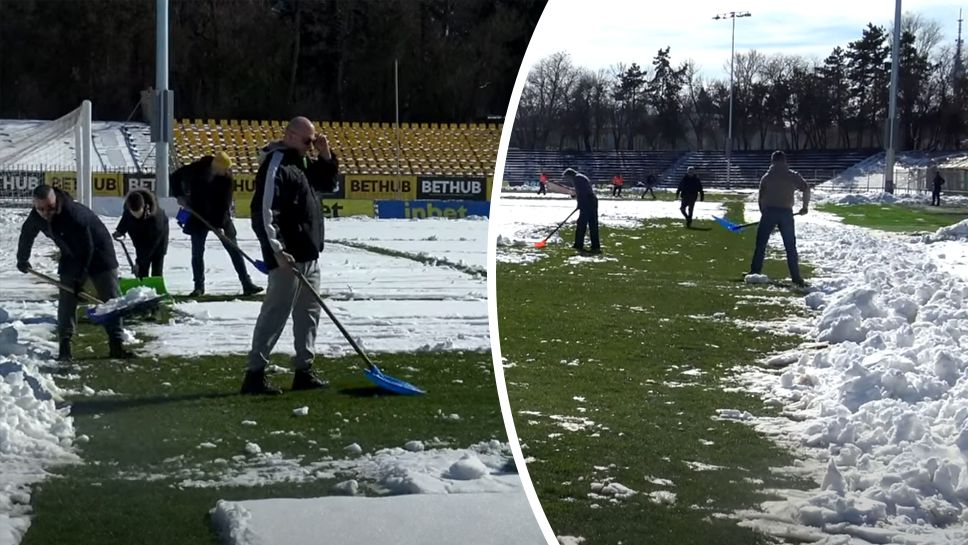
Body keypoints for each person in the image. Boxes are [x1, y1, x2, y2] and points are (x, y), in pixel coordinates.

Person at [241, 117, 340, 395]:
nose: (311, 146)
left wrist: (325, 155)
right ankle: (254, 374)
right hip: (287, 259)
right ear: (290, 136)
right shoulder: (276, 165)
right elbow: (263, 213)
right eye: (308, 141)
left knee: (309, 315)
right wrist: (278, 251)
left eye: (313, 141)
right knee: (275, 315)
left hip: (309, 255)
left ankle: (304, 370)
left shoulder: (303, 163)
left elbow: (329, 184)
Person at [16, 185, 134, 360]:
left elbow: (88, 249)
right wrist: (22, 259)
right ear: (35, 205)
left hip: (99, 253)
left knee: (110, 300)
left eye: (50, 207)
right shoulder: (37, 215)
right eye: (41, 209)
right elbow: (27, 233)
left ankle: (116, 345)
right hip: (71, 254)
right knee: (66, 299)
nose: (46, 212)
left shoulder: (73, 215)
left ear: (55, 200)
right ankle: (65, 348)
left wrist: (80, 280)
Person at [171, 151, 262, 297]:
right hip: (198, 215)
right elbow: (175, 177)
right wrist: (179, 195)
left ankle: (247, 284)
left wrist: (220, 226)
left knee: (234, 249)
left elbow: (224, 205)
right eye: (224, 168)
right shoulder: (198, 168)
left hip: (220, 217)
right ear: (216, 166)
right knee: (197, 253)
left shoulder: (227, 178)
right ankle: (198, 287)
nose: (227, 171)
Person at [748, 150, 810, 287]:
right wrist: (805, 207)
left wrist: (764, 212)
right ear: (785, 161)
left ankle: (755, 271)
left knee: (761, 244)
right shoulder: (792, 175)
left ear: (772, 161)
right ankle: (796, 277)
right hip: (786, 213)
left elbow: (761, 197)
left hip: (769, 212)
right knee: (790, 247)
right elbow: (806, 188)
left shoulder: (766, 177)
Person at [113, 189, 169, 278]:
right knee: (142, 267)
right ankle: (141, 284)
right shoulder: (129, 208)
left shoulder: (155, 218)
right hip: (139, 237)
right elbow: (125, 219)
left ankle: (156, 284)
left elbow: (151, 245)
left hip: (158, 239)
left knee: (156, 260)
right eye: (133, 213)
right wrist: (120, 231)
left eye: (138, 213)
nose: (136, 216)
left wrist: (138, 262)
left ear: (144, 207)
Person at [562, 167, 600, 253]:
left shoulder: (577, 179)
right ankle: (595, 245)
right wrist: (576, 196)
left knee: (581, 224)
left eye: (567, 178)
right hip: (592, 201)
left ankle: (578, 244)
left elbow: (583, 193)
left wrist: (580, 205)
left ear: (570, 175)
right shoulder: (580, 177)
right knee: (593, 224)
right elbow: (581, 191)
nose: (568, 180)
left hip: (587, 202)